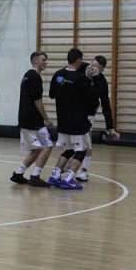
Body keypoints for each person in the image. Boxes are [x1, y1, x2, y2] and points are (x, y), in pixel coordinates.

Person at [47, 48, 98, 190]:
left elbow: (52, 94)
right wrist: (95, 78)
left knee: (69, 149)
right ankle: (68, 179)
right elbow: (93, 97)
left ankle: (55, 176)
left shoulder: (58, 74)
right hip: (78, 122)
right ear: (79, 60)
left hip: (63, 121)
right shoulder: (80, 79)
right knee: (82, 150)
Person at [10, 51, 53, 187]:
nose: (46, 62)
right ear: (35, 61)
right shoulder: (35, 77)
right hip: (33, 119)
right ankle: (35, 176)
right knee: (47, 145)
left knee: (37, 149)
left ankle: (18, 174)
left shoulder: (27, 75)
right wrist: (46, 118)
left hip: (26, 118)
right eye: (43, 60)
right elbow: (37, 100)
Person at [75, 55, 120, 181]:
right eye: (92, 65)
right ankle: (68, 164)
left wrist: (110, 128)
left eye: (96, 67)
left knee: (87, 139)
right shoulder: (80, 68)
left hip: (89, 111)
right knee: (72, 139)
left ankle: (85, 169)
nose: (92, 68)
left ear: (101, 70)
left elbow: (106, 105)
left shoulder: (101, 82)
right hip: (74, 109)